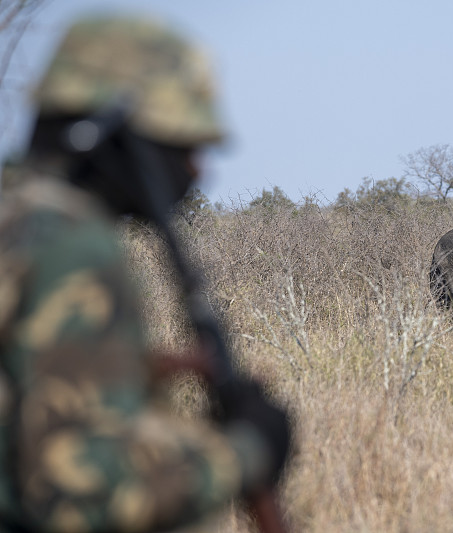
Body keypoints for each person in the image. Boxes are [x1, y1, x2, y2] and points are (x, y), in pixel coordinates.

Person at [0, 16, 290, 532]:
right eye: (182, 144)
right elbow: (79, 498)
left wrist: (137, 371)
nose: (198, 170)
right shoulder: (75, 246)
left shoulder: (19, 220)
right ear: (112, 133)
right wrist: (246, 450)